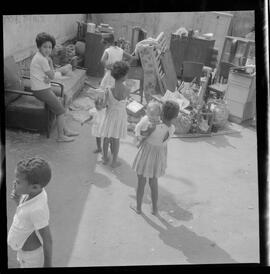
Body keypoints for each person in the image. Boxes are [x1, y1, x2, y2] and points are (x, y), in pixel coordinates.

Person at [131, 100, 179, 215]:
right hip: (159, 156)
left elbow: (142, 136)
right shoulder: (172, 129)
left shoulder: (153, 126)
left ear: (161, 112)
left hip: (146, 154)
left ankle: (138, 208)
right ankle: (154, 209)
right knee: (154, 182)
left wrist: (140, 134)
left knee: (141, 182)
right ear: (175, 116)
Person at [30, 32, 79, 142]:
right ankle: (60, 136)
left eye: (50, 47)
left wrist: (50, 74)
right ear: (39, 47)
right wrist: (51, 63)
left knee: (64, 95)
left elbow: (49, 76)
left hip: (43, 86)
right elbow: (52, 75)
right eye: (45, 47)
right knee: (60, 111)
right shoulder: (42, 59)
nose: (47, 50)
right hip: (41, 90)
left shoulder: (41, 56)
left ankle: (65, 130)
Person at [7, 157, 53, 268]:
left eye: (18, 182)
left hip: (31, 257)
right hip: (23, 250)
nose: (14, 183)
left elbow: (48, 240)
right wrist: (19, 202)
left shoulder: (37, 209)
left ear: (35, 187)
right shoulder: (32, 194)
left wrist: (47, 264)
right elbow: (27, 217)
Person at [100, 61, 130, 168]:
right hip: (120, 117)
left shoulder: (108, 89)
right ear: (123, 76)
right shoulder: (127, 90)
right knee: (116, 138)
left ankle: (104, 158)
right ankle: (114, 161)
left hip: (110, 116)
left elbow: (104, 105)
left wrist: (103, 104)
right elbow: (126, 104)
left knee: (106, 137)